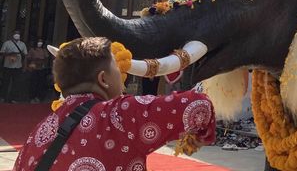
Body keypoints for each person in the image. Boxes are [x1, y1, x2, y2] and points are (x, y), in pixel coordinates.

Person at [13, 37, 216, 171]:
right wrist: (199, 135)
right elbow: (199, 105)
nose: (123, 79)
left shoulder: (39, 132)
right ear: (103, 80)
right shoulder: (119, 114)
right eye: (117, 70)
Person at [0, 31, 28, 103]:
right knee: (5, 82)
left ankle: (13, 98)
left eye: (18, 34)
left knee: (16, 83)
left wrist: (25, 66)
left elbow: (25, 55)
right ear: (12, 35)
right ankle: (3, 97)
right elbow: (2, 53)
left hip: (18, 66)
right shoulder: (7, 43)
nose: (17, 35)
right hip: (7, 66)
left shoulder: (22, 44)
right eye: (15, 33)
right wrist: (10, 54)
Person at [25, 38, 50, 103]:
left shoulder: (44, 50)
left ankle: (39, 97)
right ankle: (32, 97)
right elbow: (28, 58)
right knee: (33, 83)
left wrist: (42, 62)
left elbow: (46, 58)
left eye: (41, 42)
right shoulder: (32, 50)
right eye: (39, 42)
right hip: (34, 68)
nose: (40, 43)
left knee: (40, 83)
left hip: (41, 69)